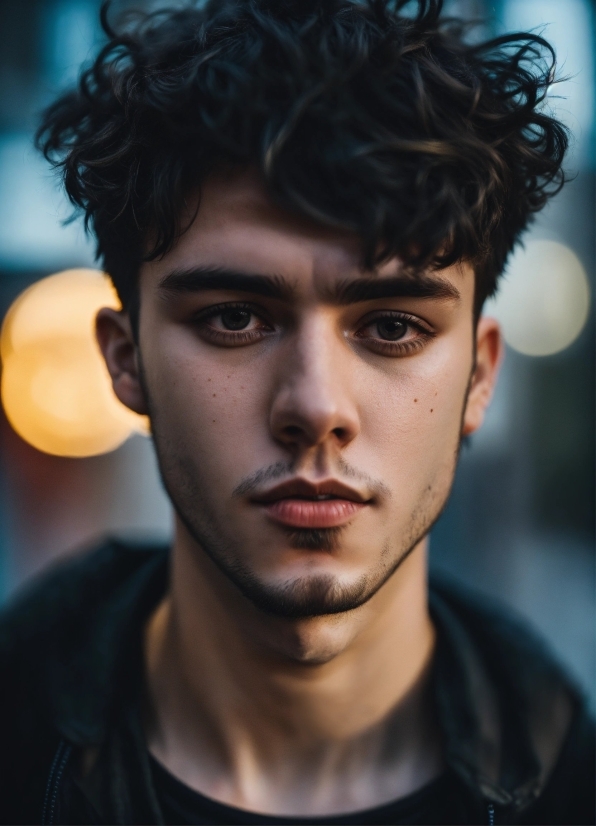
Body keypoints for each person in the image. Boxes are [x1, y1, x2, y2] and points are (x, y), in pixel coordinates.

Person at [0, 0, 594, 823]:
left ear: (480, 377)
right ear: (126, 361)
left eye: (392, 327)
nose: (316, 406)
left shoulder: (571, 782)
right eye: (235, 318)